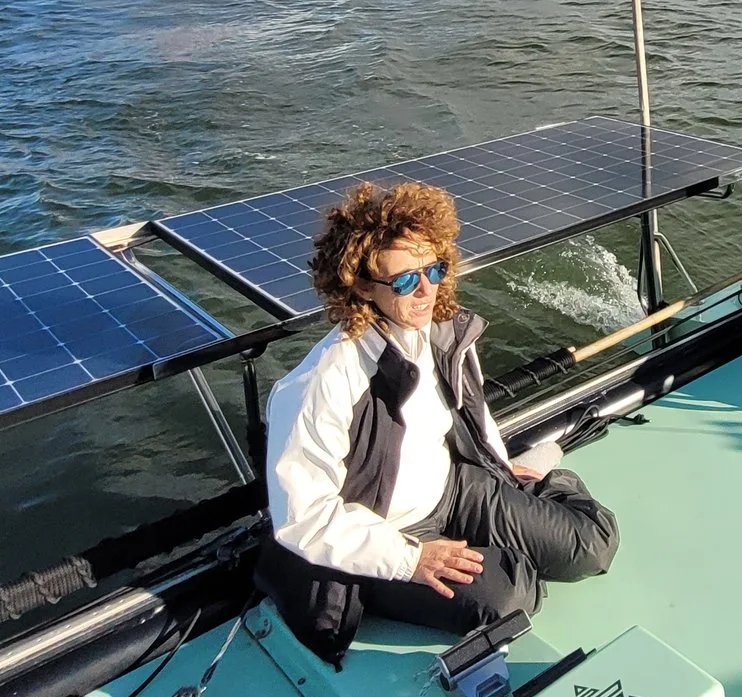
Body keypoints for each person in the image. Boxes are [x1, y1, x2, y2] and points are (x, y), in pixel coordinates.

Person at [255, 180, 619, 667]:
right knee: (510, 596)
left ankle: (545, 483)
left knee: (591, 546)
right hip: (389, 536)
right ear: (361, 286)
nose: (427, 289)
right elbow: (304, 516)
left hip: (456, 489)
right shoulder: (321, 383)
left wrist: (508, 475)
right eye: (405, 280)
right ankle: (495, 550)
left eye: (435, 268)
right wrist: (412, 560)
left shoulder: (443, 332)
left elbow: (473, 413)